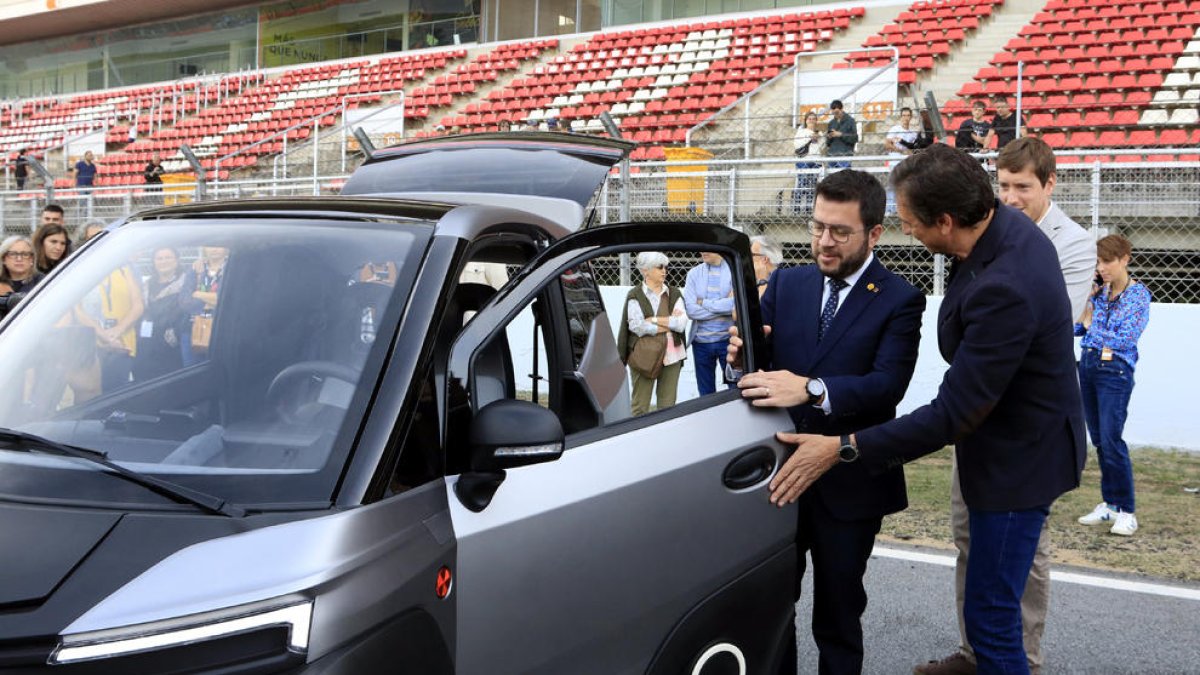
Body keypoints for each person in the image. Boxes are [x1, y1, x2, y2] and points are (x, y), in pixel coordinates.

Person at [768, 144, 1085, 675]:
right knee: (981, 591)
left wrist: (843, 448)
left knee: (991, 616)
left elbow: (950, 413)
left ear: (945, 220)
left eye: (911, 222)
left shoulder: (1004, 286)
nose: (905, 231)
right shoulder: (997, 228)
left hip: (1019, 461)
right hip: (997, 442)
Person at [728, 169, 925, 675]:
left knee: (838, 613)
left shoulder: (899, 298)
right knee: (773, 608)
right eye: (817, 227)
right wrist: (741, 358)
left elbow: (888, 385)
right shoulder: (787, 283)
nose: (824, 241)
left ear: (874, 234)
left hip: (850, 480)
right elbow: (761, 369)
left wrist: (814, 388)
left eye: (840, 232)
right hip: (780, 475)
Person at [916, 135, 1097, 675]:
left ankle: (1024, 657)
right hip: (982, 422)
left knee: (1021, 556)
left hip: (1023, 430)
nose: (1012, 198)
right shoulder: (985, 234)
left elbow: (1042, 324)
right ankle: (980, 653)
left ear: (1049, 184)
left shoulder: (1065, 244)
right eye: (1004, 186)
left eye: (1024, 187)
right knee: (969, 536)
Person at [1075, 235, 1150, 537]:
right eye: (1098, 262)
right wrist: (1085, 303)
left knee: (1112, 438)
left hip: (1114, 372)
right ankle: (1110, 503)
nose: (1102, 268)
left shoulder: (1138, 296)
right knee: (1099, 440)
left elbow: (1124, 338)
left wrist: (1092, 324)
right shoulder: (1099, 293)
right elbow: (1078, 329)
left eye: (1107, 262)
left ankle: (1127, 511)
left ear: (1125, 259)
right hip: (1090, 365)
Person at [74, 222, 143, 393]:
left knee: (116, 396)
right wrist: (104, 335)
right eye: (93, 238)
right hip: (91, 345)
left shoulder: (123, 267)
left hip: (122, 343)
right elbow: (77, 310)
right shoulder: (78, 269)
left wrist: (117, 331)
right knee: (90, 396)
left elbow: (138, 305)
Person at [618, 252, 687, 416]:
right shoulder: (635, 295)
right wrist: (669, 323)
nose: (664, 271)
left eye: (665, 267)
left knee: (667, 407)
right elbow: (637, 326)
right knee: (640, 408)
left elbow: (681, 324)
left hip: (672, 356)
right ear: (645, 270)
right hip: (643, 357)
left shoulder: (674, 293)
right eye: (659, 267)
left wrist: (654, 320)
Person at [134, 247, 191, 381]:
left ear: (177, 260)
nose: (163, 261)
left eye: (168, 257)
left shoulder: (186, 283)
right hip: (146, 345)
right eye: (159, 258)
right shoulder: (146, 285)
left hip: (172, 344)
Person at [683, 251, 735, 396]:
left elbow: (735, 305)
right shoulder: (693, 274)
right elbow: (691, 311)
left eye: (707, 249)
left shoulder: (734, 271)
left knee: (735, 389)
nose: (702, 252)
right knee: (706, 394)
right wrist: (723, 307)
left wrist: (703, 302)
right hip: (701, 343)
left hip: (728, 340)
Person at [794, 111, 825, 212]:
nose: (811, 120)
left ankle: (808, 208)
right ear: (806, 121)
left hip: (816, 161)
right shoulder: (801, 132)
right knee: (802, 183)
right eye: (809, 119)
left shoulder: (819, 133)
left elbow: (822, 148)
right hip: (804, 160)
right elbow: (796, 145)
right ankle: (797, 208)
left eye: (813, 119)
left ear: (816, 121)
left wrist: (820, 139)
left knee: (812, 185)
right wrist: (809, 138)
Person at [825, 100, 857, 167]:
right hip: (832, 155)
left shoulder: (850, 121)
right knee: (832, 177)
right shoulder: (831, 123)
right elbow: (828, 143)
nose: (836, 115)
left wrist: (840, 134)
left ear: (842, 109)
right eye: (834, 113)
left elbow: (855, 138)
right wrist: (829, 137)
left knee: (844, 176)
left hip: (845, 154)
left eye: (837, 112)